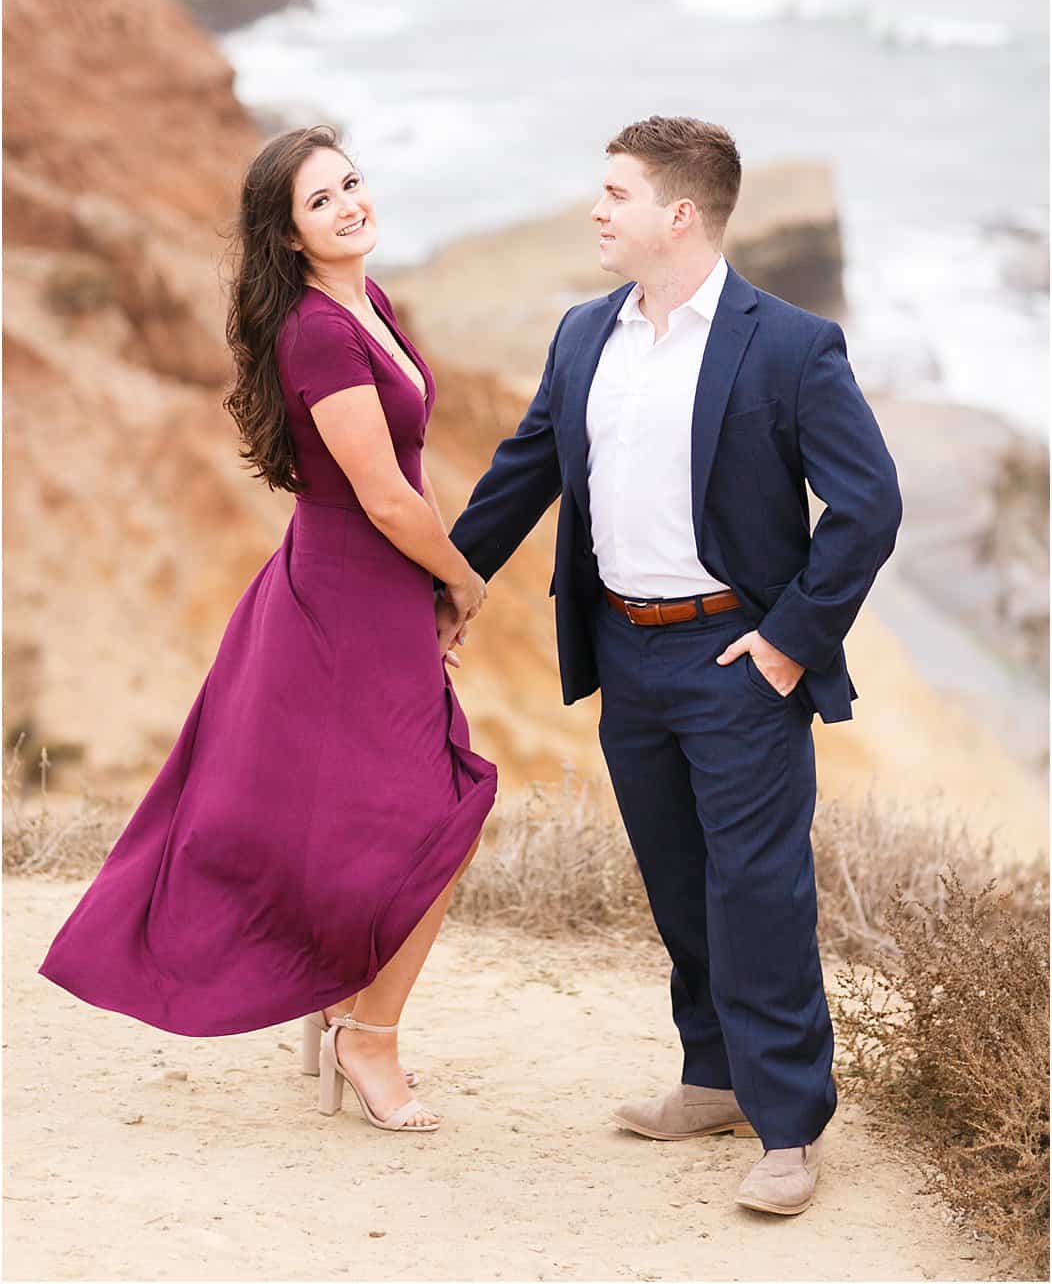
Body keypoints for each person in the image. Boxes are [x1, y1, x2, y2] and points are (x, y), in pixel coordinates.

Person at [439, 115, 902, 1211]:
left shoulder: (787, 345)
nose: (595, 211)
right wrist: (444, 587)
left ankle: (788, 1128)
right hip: (623, 651)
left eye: (613, 193)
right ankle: (712, 1075)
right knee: (678, 882)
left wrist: (788, 643)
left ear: (677, 215)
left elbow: (868, 503)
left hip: (734, 656)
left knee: (758, 890)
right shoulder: (580, 333)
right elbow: (521, 473)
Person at [39, 125, 495, 1134]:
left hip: (366, 591)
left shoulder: (362, 300)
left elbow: (394, 483)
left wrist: (423, 587)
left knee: (366, 813)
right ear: (288, 239)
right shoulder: (319, 335)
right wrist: (459, 578)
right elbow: (382, 495)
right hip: (341, 595)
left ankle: (341, 998)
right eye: (320, 202)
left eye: (350, 185)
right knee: (437, 810)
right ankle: (365, 1031)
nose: (348, 207)